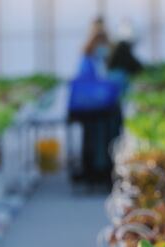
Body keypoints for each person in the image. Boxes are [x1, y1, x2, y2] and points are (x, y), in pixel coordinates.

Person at [67, 16, 120, 188]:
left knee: (106, 141)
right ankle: (93, 173)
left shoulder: (109, 55)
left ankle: (103, 173)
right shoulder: (87, 57)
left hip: (105, 109)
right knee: (93, 141)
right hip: (92, 110)